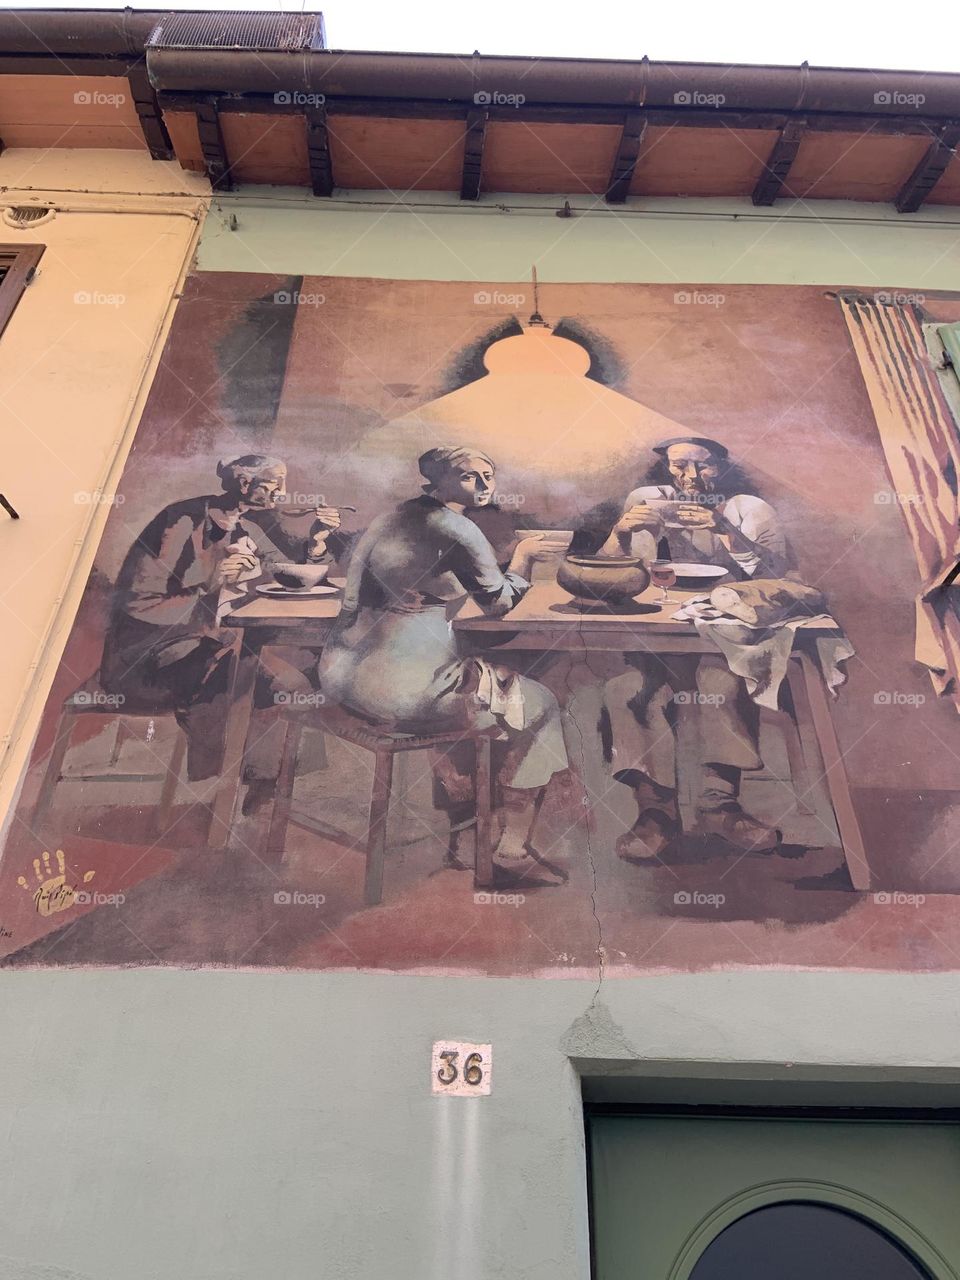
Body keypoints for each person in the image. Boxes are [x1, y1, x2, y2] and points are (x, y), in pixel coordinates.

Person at [318, 445, 569, 870]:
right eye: (470, 476)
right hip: (401, 696)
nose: (485, 484)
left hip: (340, 678)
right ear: (439, 480)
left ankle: (466, 826)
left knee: (475, 686)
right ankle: (512, 837)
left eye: (489, 474)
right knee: (539, 701)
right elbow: (497, 603)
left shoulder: (390, 518)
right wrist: (524, 558)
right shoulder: (457, 527)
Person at [101, 455, 347, 799]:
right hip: (148, 656)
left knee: (291, 682)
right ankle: (225, 789)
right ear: (245, 484)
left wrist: (317, 542)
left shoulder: (246, 525)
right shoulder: (180, 521)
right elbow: (139, 603)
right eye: (274, 484)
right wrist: (214, 586)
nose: (283, 492)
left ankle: (267, 786)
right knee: (256, 678)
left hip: (211, 642)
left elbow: (287, 574)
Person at [595, 436, 793, 861]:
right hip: (655, 631)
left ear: (720, 467)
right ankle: (655, 812)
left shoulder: (749, 508)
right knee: (626, 690)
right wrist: (619, 532)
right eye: (679, 465)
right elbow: (608, 572)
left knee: (720, 687)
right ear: (666, 467)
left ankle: (718, 807)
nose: (690, 476)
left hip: (725, 634)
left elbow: (777, 577)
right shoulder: (646, 500)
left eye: (702, 466)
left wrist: (723, 530)